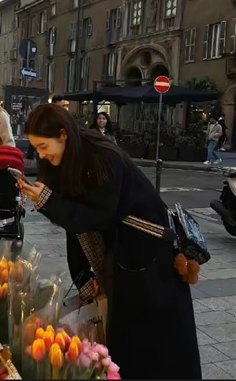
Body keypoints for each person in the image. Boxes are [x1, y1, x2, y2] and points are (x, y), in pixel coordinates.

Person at [18, 104, 201, 380]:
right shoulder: (69, 159)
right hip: (124, 254)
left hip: (148, 256)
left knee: (153, 339)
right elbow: (75, 223)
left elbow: (93, 216)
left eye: (44, 146)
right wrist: (83, 277)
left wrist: (48, 202)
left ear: (63, 135)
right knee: (125, 335)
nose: (40, 155)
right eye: (36, 148)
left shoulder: (103, 157)